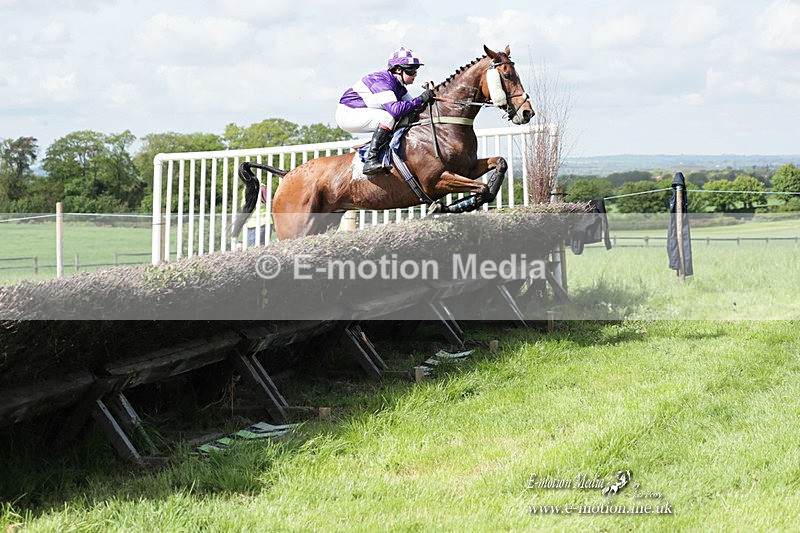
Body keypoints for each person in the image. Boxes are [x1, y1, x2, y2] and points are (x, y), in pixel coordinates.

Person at [336, 47, 435, 175]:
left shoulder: (398, 85)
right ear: (398, 70)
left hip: (359, 112)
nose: (415, 74)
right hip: (348, 114)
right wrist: (421, 98)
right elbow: (396, 110)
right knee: (388, 117)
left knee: (405, 115)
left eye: (416, 70)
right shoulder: (382, 81)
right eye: (411, 70)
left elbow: (414, 107)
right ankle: (370, 160)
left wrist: (428, 96)